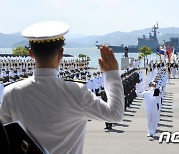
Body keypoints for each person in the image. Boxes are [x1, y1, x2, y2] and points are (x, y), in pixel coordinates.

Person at [0, 21, 124, 154]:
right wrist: (112, 74)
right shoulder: (77, 91)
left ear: (31, 54)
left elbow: (5, 138)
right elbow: (115, 114)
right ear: (61, 53)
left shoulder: (11, 92)